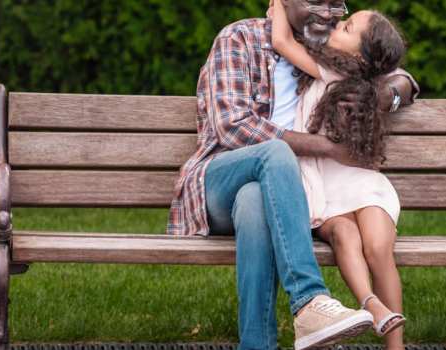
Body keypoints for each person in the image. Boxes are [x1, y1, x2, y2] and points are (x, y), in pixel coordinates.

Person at [166, 0, 418, 349]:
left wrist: (387, 92)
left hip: (275, 191)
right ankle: (309, 299)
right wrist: (325, 147)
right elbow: (231, 128)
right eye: (316, 2)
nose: (328, 13)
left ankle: (257, 345)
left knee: (255, 200)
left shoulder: (324, 48)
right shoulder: (240, 38)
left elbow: (391, 68)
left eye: (334, 5)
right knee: (276, 150)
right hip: (220, 176)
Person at [271, 1, 409, 349]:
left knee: (378, 247)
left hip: (361, 183)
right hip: (326, 187)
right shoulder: (329, 67)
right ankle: (370, 304)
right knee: (348, 235)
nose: (340, 23)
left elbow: (282, 42)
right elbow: (288, 43)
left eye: (349, 28)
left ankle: (395, 345)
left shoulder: (343, 75)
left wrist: (276, 6)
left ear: (362, 57)